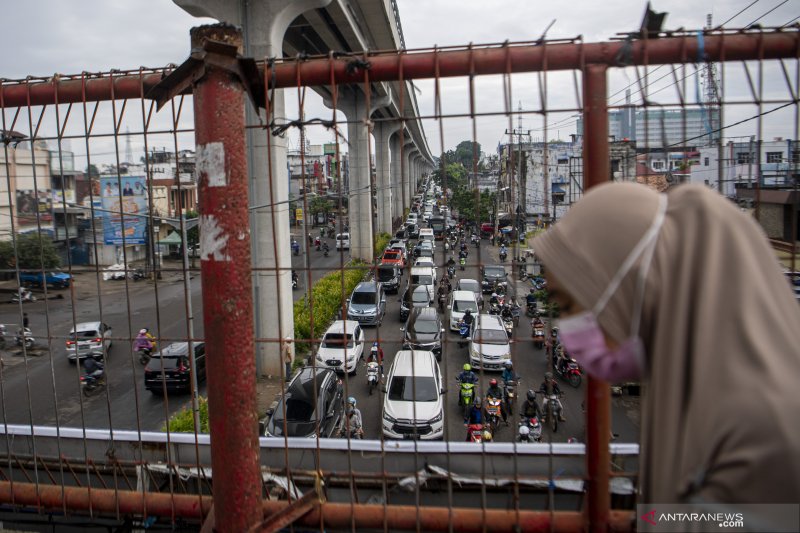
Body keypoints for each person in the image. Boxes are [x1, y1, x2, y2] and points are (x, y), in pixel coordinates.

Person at [532, 182, 800, 506]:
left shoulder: (759, 439)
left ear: (630, 288)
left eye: (569, 305)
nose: (568, 329)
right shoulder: (693, 390)